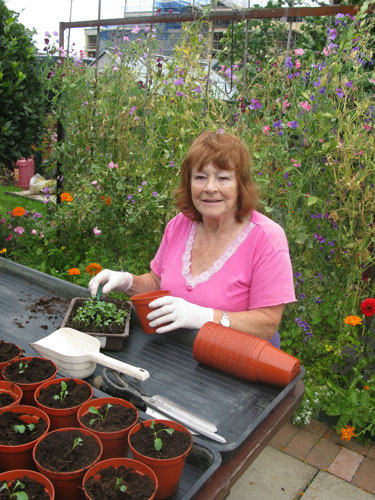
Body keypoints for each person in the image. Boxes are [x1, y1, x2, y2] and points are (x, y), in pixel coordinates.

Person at [88, 131, 296, 348]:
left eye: (223, 178)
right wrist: (127, 282)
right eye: (200, 177)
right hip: (179, 355)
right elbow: (158, 283)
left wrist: (204, 316)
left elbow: (266, 324)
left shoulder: (267, 238)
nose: (210, 188)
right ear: (189, 183)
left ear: (240, 185)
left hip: (237, 363)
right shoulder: (179, 225)